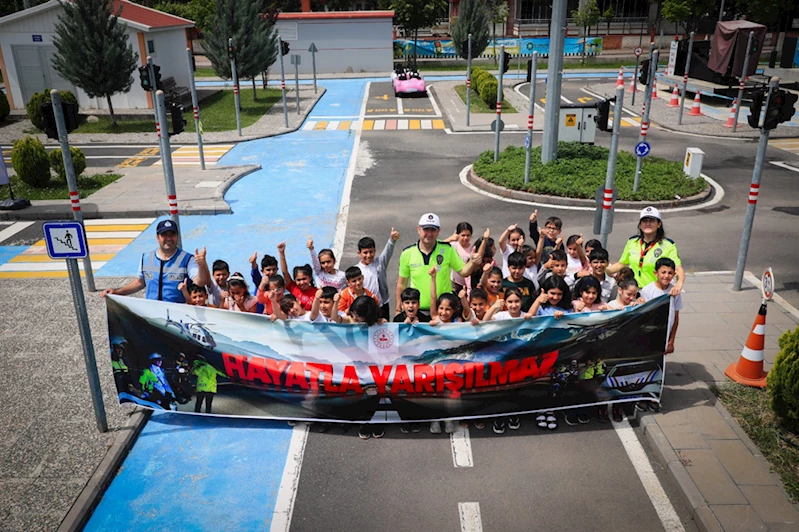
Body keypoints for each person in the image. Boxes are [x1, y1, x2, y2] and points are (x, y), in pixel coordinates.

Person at [100, 219, 209, 303]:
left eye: (172, 234)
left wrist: (202, 265)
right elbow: (140, 282)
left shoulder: (187, 259)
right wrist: (117, 292)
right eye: (164, 235)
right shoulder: (146, 257)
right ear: (157, 237)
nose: (169, 238)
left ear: (177, 236)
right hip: (153, 312)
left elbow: (200, 282)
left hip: (178, 315)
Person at [396, 213, 481, 315]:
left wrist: (472, 262)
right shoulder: (407, 253)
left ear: (438, 231)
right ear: (418, 229)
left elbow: (463, 271)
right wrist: (398, 308)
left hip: (443, 310)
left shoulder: (447, 249)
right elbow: (402, 284)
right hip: (417, 311)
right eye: (426, 229)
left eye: (433, 230)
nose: (429, 233)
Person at [608, 206, 684, 297]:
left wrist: (679, 284)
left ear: (659, 224)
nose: (648, 224)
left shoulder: (668, 245)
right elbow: (622, 264)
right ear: (640, 224)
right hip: (634, 292)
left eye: (651, 221)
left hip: (656, 292)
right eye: (644, 221)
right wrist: (601, 271)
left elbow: (678, 269)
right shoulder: (633, 242)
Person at [603, 277, 646, 422]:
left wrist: (642, 307)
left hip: (628, 350)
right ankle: (602, 407)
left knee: (623, 380)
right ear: (620, 291)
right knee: (607, 379)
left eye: (634, 295)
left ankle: (618, 407)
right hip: (610, 350)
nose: (631, 298)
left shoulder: (636, 306)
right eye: (629, 294)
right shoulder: (610, 305)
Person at [641, 257, 683, 356]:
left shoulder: (675, 292)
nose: (666, 276)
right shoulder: (647, 290)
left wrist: (671, 341)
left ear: (674, 274)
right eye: (663, 272)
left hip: (665, 334)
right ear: (656, 273)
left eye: (670, 273)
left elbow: (676, 318)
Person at [356, 229, 400, 320]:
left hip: (382, 305)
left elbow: (387, 253)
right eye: (365, 252)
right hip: (365, 307)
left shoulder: (380, 263)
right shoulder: (357, 270)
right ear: (359, 253)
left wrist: (392, 240)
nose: (368, 255)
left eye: (371, 252)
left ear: (375, 251)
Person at [277, 242, 317, 310]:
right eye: (298, 280)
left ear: (310, 278)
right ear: (295, 280)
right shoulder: (293, 288)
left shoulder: (317, 293)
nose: (301, 282)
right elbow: (285, 272)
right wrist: (281, 253)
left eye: (304, 279)